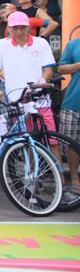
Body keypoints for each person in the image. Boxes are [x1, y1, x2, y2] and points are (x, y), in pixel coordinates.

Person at [0, 12, 56, 152]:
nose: (19, 31)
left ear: (28, 27)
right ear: (9, 29)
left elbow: (48, 70)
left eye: (22, 27)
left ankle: (59, 174)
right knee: (26, 141)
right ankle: (31, 172)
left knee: (52, 140)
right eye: (15, 28)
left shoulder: (41, 43)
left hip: (40, 99)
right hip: (16, 100)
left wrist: (39, 85)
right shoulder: (1, 45)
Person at [56, 36, 80, 192]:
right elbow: (61, 68)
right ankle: (74, 178)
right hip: (73, 101)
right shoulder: (74, 44)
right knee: (72, 144)